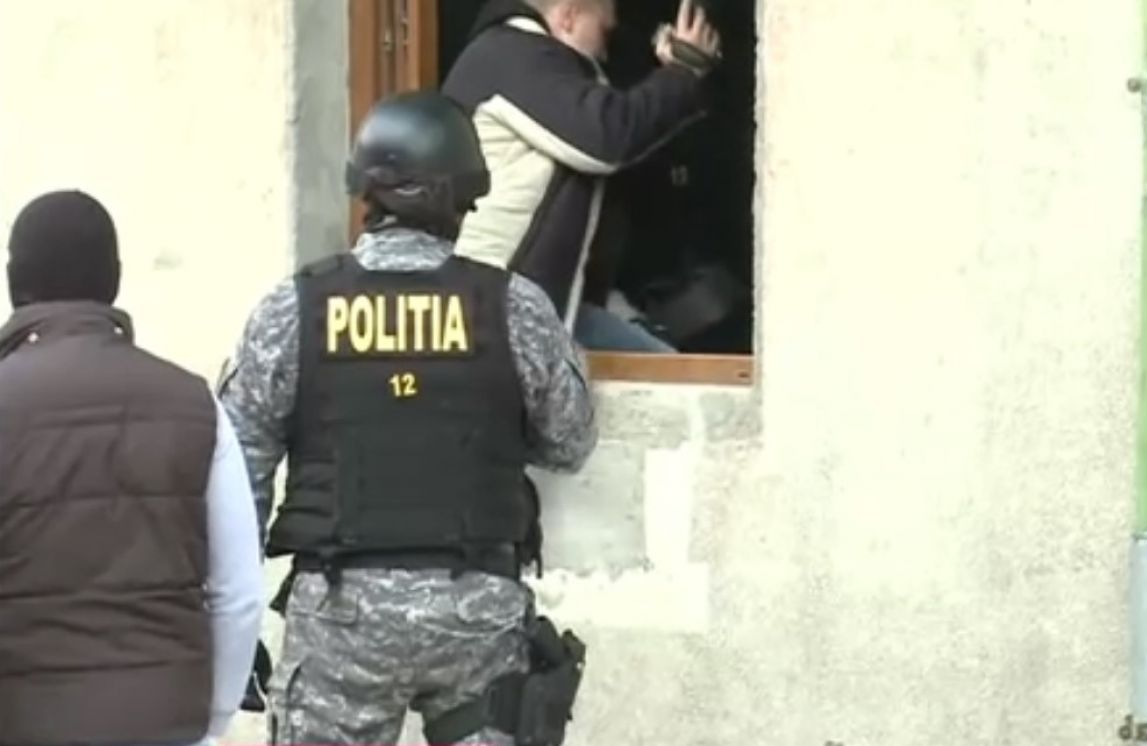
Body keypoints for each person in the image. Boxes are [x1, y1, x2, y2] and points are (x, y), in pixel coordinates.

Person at [217, 90, 597, 746]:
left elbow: (237, 468)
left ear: (366, 193)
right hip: (476, 614)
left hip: (340, 618)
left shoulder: (295, 308)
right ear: (460, 199)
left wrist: (234, 621)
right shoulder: (513, 308)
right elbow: (569, 443)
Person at [0, 190, 264, 746]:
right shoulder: (194, 404)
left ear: (13, 282)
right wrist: (213, 717)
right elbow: (238, 592)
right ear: (115, 279)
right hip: (166, 724)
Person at [441, 0, 723, 353]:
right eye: (604, 32)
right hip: (495, 317)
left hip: (536, 307)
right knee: (671, 375)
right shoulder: (511, 55)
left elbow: (624, 135)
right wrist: (682, 73)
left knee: (668, 369)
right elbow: (608, 138)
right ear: (569, 17)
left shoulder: (529, 63)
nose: (605, 52)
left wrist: (673, 75)